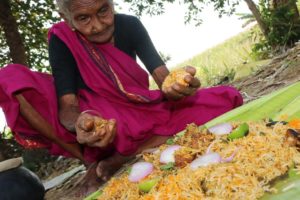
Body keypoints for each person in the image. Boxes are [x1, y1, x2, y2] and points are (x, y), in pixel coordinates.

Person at [0, 0, 243, 196]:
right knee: (10, 78)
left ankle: (121, 157)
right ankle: (89, 160)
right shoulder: (61, 39)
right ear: (68, 20)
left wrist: (181, 87)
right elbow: (67, 108)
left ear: (112, 4)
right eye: (83, 18)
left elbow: (164, 80)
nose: (97, 25)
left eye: (103, 11)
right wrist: (83, 125)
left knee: (225, 97)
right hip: (97, 118)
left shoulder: (131, 25)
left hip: (139, 108)